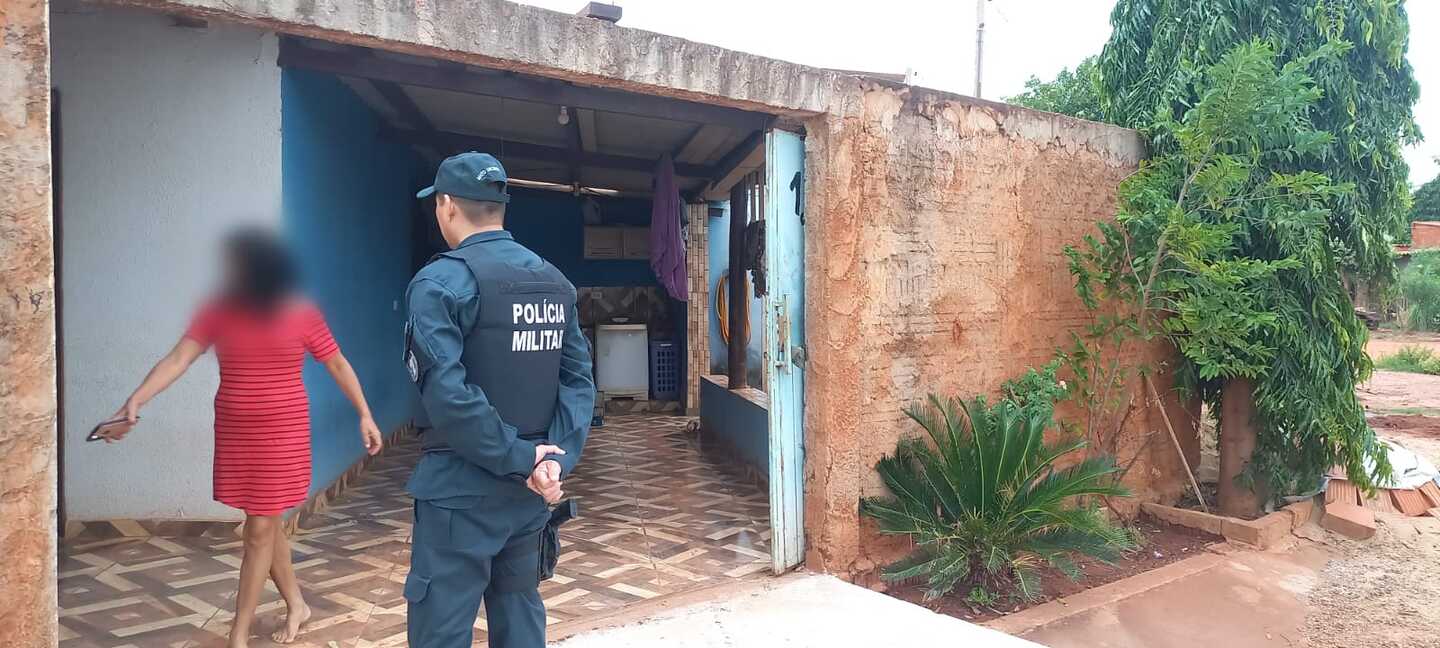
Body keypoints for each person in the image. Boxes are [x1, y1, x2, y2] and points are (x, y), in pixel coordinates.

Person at [100, 228, 384, 648]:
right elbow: (179, 357)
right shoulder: (218, 311)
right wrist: (136, 400)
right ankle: (297, 605)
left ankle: (238, 633)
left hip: (282, 434)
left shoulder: (300, 312)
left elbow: (338, 364)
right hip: (237, 433)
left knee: (257, 529)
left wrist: (364, 414)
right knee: (264, 523)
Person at [403, 152, 596, 648]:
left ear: (446, 206)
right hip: (530, 495)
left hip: (459, 495)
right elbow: (578, 381)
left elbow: (447, 392)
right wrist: (554, 459)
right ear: (500, 207)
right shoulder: (556, 284)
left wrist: (519, 458)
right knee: (519, 617)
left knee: (441, 630)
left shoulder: (440, 282)